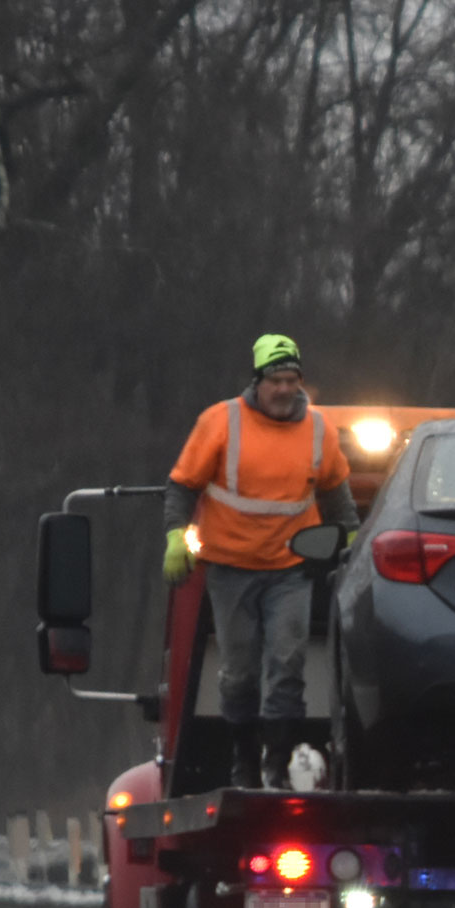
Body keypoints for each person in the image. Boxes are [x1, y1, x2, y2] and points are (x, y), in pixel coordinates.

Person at [162, 334, 359, 788]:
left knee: (287, 664)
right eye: (276, 380)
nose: (285, 389)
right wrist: (176, 536)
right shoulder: (221, 421)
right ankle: (244, 758)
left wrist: (351, 542)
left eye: (292, 380)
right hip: (229, 569)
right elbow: (182, 485)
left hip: (290, 569)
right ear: (258, 382)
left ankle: (278, 763)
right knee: (239, 671)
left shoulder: (318, 429)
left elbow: (337, 496)